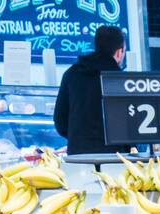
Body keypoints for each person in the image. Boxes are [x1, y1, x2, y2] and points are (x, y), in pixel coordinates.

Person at [53, 25, 128, 156]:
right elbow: (129, 125)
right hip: (114, 158)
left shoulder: (71, 74)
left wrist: (78, 138)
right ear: (119, 52)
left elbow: (60, 120)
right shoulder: (122, 80)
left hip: (78, 155)